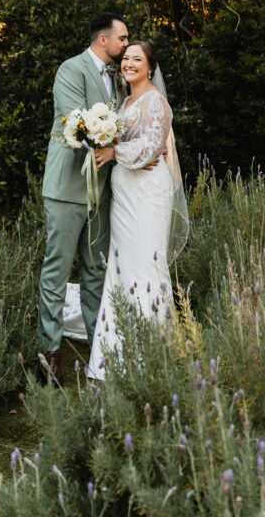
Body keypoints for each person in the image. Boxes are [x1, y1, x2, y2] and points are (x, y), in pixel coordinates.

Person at [87, 40, 188, 381]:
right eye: (126, 58)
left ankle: (155, 356)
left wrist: (116, 152)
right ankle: (116, 356)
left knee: (147, 265)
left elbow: (151, 147)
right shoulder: (126, 101)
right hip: (125, 194)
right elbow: (127, 141)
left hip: (147, 194)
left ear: (150, 68)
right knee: (121, 265)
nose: (129, 63)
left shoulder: (156, 102)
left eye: (137, 59)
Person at [37, 12, 129, 384]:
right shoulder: (70, 70)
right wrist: (115, 135)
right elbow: (74, 121)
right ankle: (50, 352)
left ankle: (98, 351)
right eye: (122, 38)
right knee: (57, 270)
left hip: (103, 190)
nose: (126, 45)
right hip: (67, 187)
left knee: (95, 271)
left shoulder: (120, 77)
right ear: (103, 40)